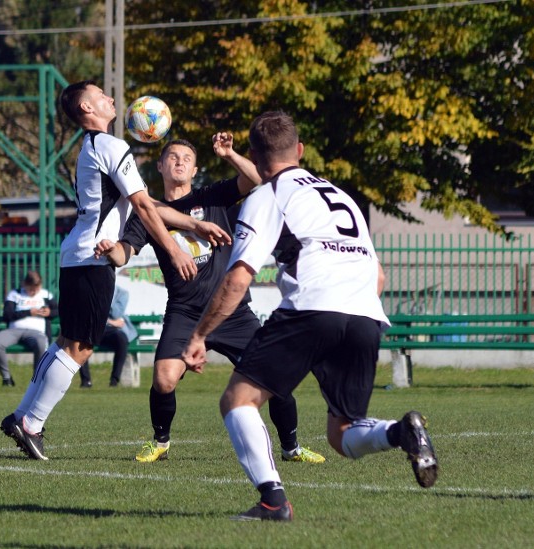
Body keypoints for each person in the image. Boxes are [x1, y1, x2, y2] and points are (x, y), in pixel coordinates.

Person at [182, 111, 439, 522]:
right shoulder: (342, 197)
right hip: (364, 313)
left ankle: (272, 501)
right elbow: (380, 274)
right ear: (299, 151)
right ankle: (399, 431)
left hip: (313, 307)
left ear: (252, 154)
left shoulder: (267, 196)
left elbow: (238, 278)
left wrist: (199, 337)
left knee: (238, 400)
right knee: (342, 433)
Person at [0, 80, 229, 461]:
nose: (110, 98)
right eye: (100, 95)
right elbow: (142, 207)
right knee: (80, 347)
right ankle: (32, 424)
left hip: (79, 254)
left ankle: (22, 415)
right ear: (87, 109)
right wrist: (173, 249)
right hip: (92, 259)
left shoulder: (95, 147)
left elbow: (148, 202)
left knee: (65, 342)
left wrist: (194, 225)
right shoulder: (109, 144)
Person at [96, 135, 325, 464]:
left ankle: (291, 448)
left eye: (186, 158)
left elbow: (259, 179)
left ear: (195, 169)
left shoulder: (212, 198)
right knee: (163, 378)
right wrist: (110, 251)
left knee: (276, 376)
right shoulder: (147, 214)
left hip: (230, 312)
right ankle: (160, 442)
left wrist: (230, 153)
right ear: (159, 166)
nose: (179, 162)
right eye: (172, 157)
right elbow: (124, 252)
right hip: (184, 312)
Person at [0, 271, 58, 387]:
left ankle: (36, 380)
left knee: (41, 343)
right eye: (31, 289)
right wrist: (28, 312)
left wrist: (49, 312)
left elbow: (57, 311)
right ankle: (7, 378)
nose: (33, 292)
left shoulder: (46, 295)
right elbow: (7, 315)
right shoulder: (15, 294)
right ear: (24, 284)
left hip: (36, 332)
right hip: (14, 331)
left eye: (36, 289)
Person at [77, 284, 137, 388]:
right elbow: (88, 312)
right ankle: (86, 381)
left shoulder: (122, 293)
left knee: (121, 339)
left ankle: (114, 380)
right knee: (81, 341)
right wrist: (110, 321)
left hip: (111, 331)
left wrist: (105, 296)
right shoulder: (90, 290)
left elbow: (116, 314)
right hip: (93, 327)